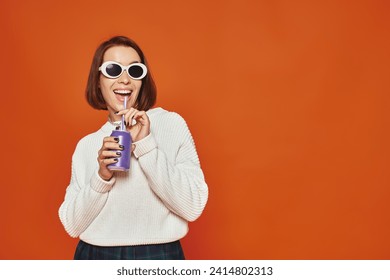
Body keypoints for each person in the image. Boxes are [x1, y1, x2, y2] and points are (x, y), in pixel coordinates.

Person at [58, 36, 208, 260]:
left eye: (135, 71)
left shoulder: (170, 124)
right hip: (95, 256)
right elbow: (72, 224)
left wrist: (146, 146)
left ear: (142, 81)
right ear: (97, 81)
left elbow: (192, 206)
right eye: (113, 70)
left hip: (159, 255)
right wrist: (102, 176)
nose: (125, 79)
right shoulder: (87, 145)